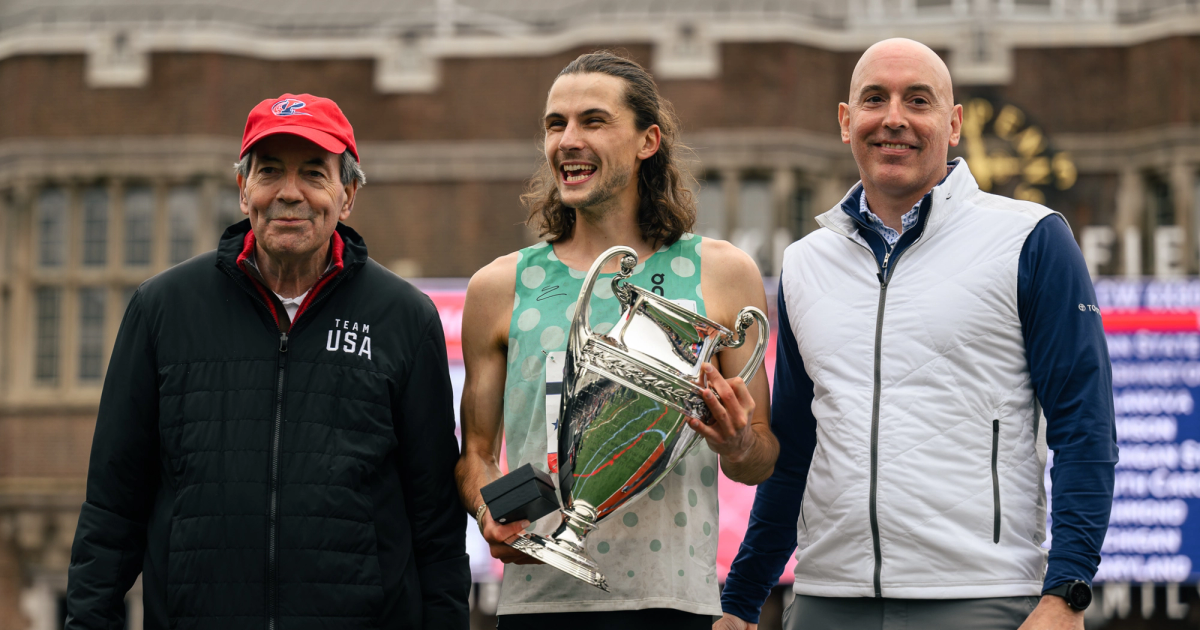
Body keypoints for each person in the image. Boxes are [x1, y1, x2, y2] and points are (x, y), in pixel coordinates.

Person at [717, 39, 1118, 630]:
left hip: (983, 596)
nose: (894, 118)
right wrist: (743, 601)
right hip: (828, 599)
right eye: (874, 99)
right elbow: (798, 447)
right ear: (846, 121)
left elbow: (1085, 426)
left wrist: (1067, 592)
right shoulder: (804, 263)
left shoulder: (1032, 237)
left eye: (918, 100)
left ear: (953, 123)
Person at [64, 93, 470, 629]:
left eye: (313, 174)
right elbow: (111, 510)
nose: (289, 193)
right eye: (270, 171)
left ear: (347, 194)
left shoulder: (405, 320)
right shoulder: (162, 310)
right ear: (243, 189)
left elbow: (436, 523)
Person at [455, 51, 780, 629]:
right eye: (556, 125)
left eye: (594, 121)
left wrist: (735, 444)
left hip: (675, 602)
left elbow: (758, 457)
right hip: (541, 603)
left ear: (647, 141)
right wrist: (487, 508)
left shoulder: (721, 272)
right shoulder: (500, 286)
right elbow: (476, 454)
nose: (568, 140)